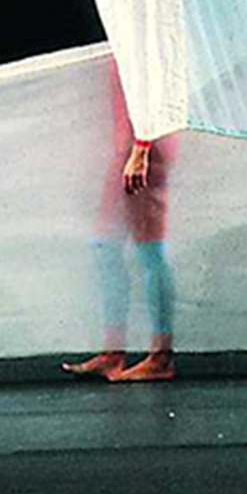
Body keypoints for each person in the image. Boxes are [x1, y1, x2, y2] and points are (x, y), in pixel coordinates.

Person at [61, 64, 179, 382]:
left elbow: (157, 93)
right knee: (106, 245)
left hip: (143, 149)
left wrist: (141, 149)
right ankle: (114, 352)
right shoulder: (126, 30)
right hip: (129, 148)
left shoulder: (142, 34)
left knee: (149, 247)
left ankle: (161, 356)